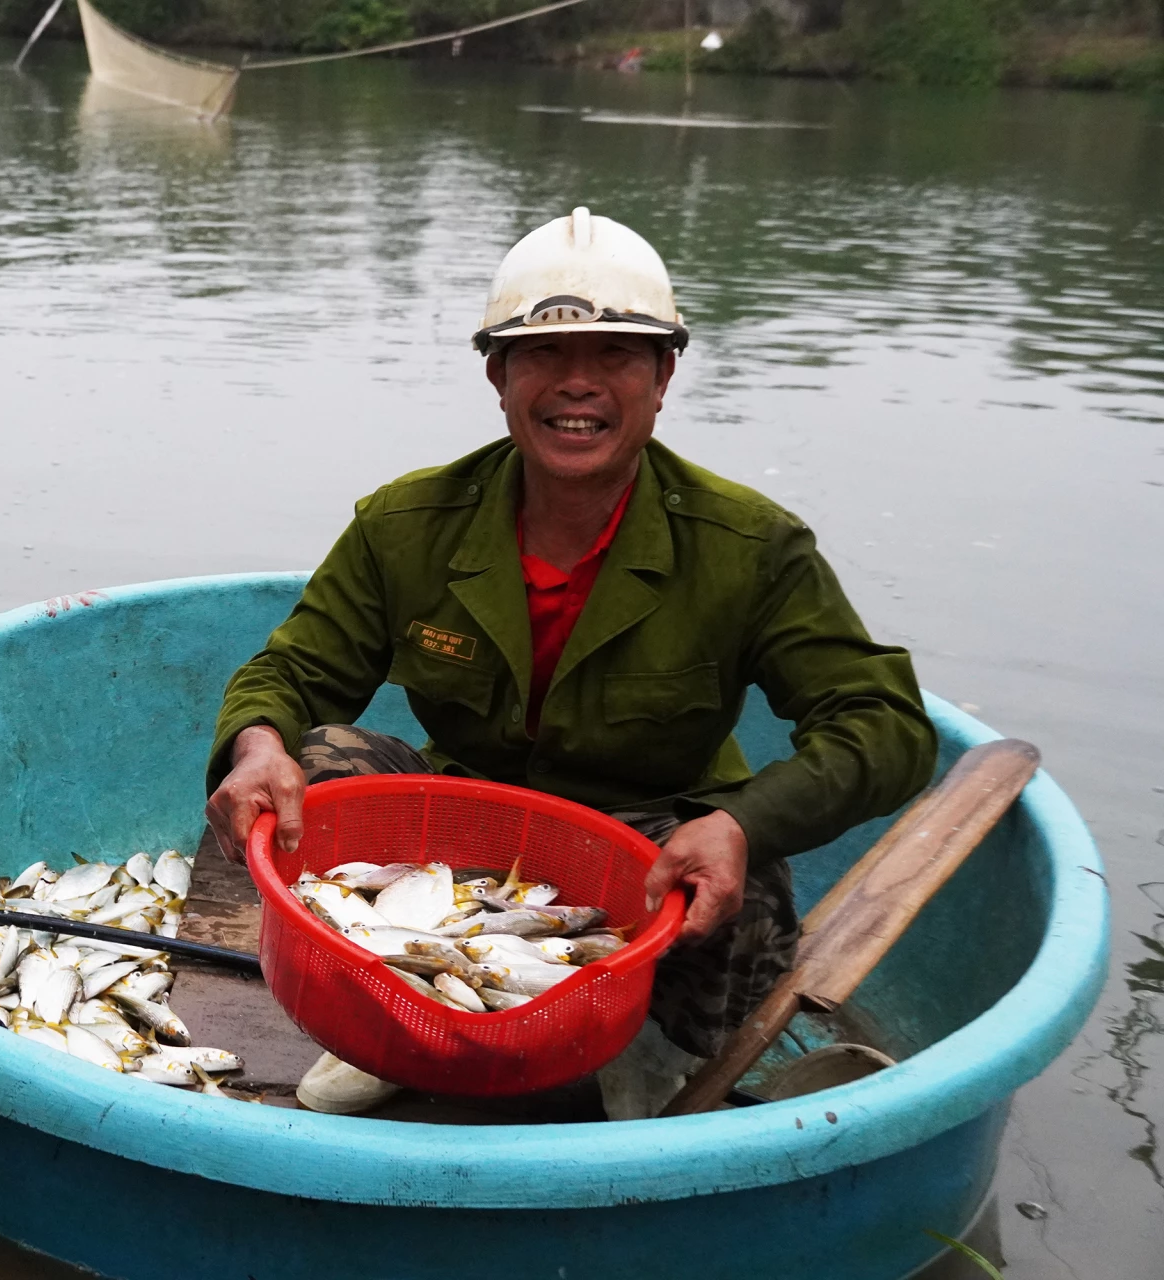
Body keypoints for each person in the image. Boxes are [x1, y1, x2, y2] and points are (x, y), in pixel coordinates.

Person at [202, 207, 937, 1116]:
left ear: (664, 377)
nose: (578, 384)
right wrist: (258, 746)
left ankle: (654, 1054)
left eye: (617, 355)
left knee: (749, 886)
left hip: (645, 850)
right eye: (544, 354)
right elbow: (291, 674)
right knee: (318, 762)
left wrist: (742, 824)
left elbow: (884, 723)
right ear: (498, 376)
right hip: (459, 833)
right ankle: (404, 1012)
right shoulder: (407, 524)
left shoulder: (750, 546)